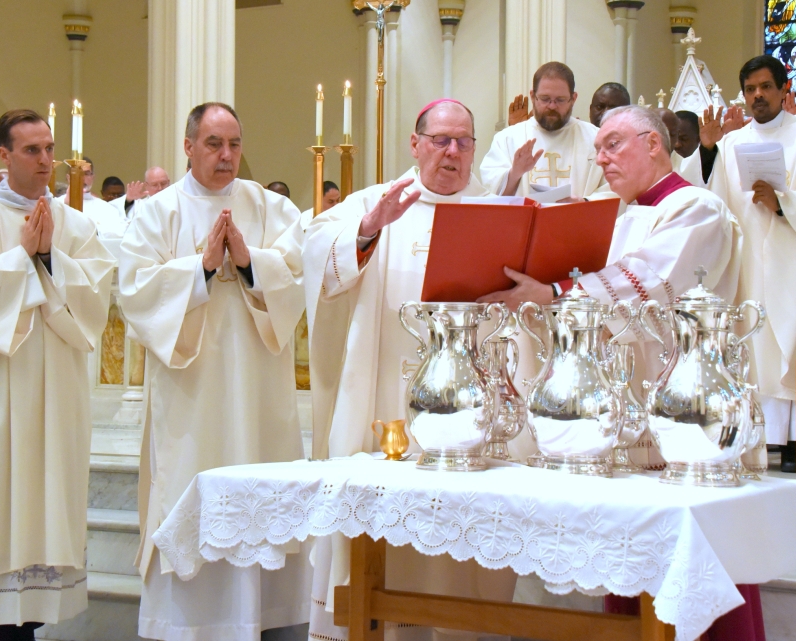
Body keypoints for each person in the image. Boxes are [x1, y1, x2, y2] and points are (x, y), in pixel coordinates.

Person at [304, 98, 517, 641]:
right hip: (386, 408)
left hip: (470, 422)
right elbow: (316, 256)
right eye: (441, 139)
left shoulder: (497, 212)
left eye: (464, 141)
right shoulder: (376, 203)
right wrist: (369, 231)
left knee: (462, 554)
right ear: (415, 143)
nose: (452, 152)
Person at [119, 102, 308, 641]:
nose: (226, 156)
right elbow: (135, 292)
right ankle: (190, 625)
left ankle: (263, 615)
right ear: (187, 146)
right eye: (213, 144)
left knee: (261, 479)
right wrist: (200, 268)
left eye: (234, 145)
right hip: (190, 395)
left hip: (258, 393)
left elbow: (296, 275)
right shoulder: (157, 214)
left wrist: (251, 263)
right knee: (186, 481)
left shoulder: (271, 208)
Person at [0, 109, 116, 641]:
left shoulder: (77, 225)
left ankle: (33, 620)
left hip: (57, 396)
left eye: (49, 149)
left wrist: (51, 259)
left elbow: (95, 304)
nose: (45, 161)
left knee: (46, 510)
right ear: (4, 156)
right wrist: (24, 258)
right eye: (32, 150)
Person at [478, 105, 740, 396]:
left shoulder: (697, 207)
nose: (601, 160)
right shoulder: (627, 216)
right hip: (625, 389)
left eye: (613, 145)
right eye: (598, 150)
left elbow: (649, 282)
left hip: (683, 390)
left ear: (653, 143)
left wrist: (551, 292)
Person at [681, 55, 796, 467]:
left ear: (783, 89)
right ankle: (754, 436)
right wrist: (706, 150)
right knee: (750, 346)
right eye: (750, 89)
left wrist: (783, 203)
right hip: (747, 262)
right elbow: (707, 198)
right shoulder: (732, 143)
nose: (758, 95)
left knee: (792, 346)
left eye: (765, 87)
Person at [480, 62, 615, 200]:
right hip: (524, 222)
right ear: (533, 96)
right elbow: (493, 195)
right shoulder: (507, 139)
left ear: (573, 99)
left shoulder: (595, 138)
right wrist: (515, 174)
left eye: (560, 100)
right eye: (545, 99)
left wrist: (584, 203)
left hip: (578, 220)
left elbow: (614, 189)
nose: (552, 106)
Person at [56, 156, 126, 236]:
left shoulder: (107, 209)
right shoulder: (57, 204)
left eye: (86, 174)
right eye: (78, 174)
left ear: (93, 177)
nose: (82, 178)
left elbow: (117, 235)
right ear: (68, 178)